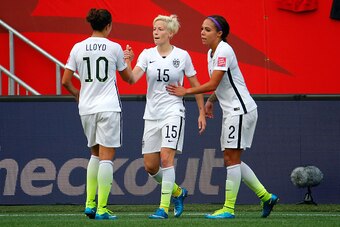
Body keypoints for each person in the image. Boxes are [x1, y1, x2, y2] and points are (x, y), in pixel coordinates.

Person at [166, 15, 278, 219]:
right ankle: (266, 197)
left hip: (240, 110)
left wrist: (186, 92)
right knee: (230, 159)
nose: (202, 32)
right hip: (233, 111)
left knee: (231, 159)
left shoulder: (224, 50)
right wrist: (211, 101)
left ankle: (228, 208)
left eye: (207, 29)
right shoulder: (212, 53)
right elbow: (222, 84)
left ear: (220, 33)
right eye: (201, 28)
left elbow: (213, 82)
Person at [124, 14, 206, 219]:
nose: (156, 32)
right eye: (154, 29)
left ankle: (163, 208)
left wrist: (201, 112)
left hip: (173, 111)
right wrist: (127, 61)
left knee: (166, 158)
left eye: (160, 29)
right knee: (150, 166)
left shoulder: (182, 56)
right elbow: (132, 79)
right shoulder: (146, 54)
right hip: (152, 114)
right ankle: (178, 192)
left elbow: (196, 85)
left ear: (170, 33)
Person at [62, 8, 133, 220]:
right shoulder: (115, 48)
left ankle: (89, 204)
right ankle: (102, 208)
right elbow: (129, 78)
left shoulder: (78, 48)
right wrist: (128, 59)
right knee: (107, 158)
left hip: (86, 107)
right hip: (108, 107)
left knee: (94, 154)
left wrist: (78, 94)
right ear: (108, 25)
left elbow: (65, 81)